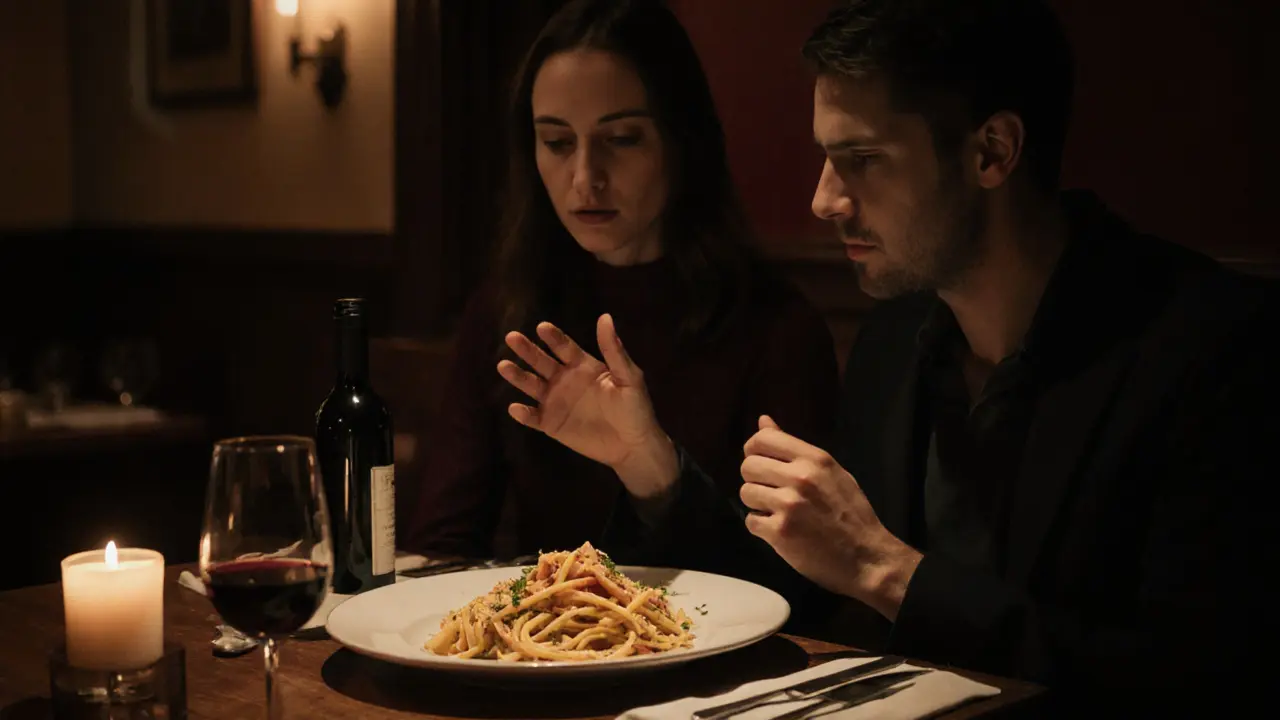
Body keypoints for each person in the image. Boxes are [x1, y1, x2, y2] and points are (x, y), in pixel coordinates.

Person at [493, 0, 1276, 710]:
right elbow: (800, 607)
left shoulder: (1212, 348)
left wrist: (888, 571)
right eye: (826, 158)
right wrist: (647, 463)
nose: (823, 200)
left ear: (992, 151)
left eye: (862, 159)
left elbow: (1194, 677)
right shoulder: (897, 340)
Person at [403, 0, 839, 560]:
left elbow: (791, 582)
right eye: (557, 142)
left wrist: (655, 470)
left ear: (682, 141)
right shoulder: (508, 311)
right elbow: (442, 545)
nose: (586, 178)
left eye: (622, 138)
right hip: (544, 617)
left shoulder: (775, 328)